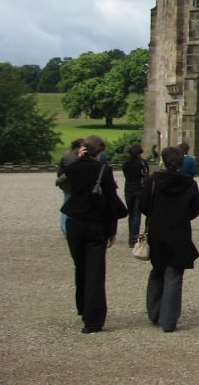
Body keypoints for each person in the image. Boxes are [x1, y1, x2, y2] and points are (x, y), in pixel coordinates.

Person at [60, 135, 128, 333]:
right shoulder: (103, 170)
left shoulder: (73, 168)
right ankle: (93, 319)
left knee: (80, 267)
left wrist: (80, 159)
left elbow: (65, 177)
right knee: (95, 271)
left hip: (75, 222)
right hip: (96, 224)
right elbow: (110, 201)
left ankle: (82, 307)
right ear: (100, 151)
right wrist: (112, 231)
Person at [140, 146, 199, 332]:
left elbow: (143, 205)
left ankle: (155, 312)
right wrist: (181, 216)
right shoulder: (189, 183)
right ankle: (169, 320)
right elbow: (195, 209)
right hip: (179, 231)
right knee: (174, 274)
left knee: (157, 270)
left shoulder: (153, 180)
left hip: (157, 230)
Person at [121, 144, 149, 247]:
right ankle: (134, 238)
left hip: (129, 189)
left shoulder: (126, 163)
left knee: (131, 214)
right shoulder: (142, 162)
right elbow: (146, 175)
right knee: (137, 215)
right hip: (140, 189)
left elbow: (126, 175)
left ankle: (131, 237)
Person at [57, 138, 84, 236]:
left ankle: (65, 228)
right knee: (70, 206)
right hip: (72, 185)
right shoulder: (76, 156)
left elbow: (60, 170)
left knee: (66, 204)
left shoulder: (66, 153)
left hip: (65, 184)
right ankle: (66, 229)